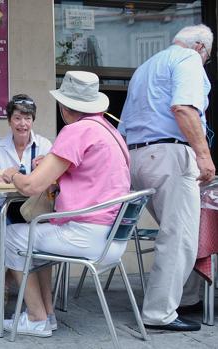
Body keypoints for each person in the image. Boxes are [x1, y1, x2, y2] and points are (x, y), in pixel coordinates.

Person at [0, 71, 130, 337]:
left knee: (11, 235)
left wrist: (12, 174)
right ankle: (47, 314)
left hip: (86, 236)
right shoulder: (111, 131)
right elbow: (92, 177)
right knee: (35, 236)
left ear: (64, 106)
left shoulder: (77, 130)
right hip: (113, 240)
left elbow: (31, 186)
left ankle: (36, 318)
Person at [118, 24, 215, 332]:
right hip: (169, 155)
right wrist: (203, 155)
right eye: (208, 59)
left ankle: (185, 299)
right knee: (180, 238)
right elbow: (184, 108)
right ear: (200, 48)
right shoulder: (188, 60)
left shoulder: (145, 67)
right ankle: (160, 313)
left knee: (176, 233)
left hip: (134, 157)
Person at [0, 94, 52, 231]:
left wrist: (41, 169)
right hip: (5, 209)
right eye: (17, 118)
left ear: (33, 121)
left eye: (27, 118)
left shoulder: (44, 145)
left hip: (35, 209)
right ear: (9, 121)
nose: (23, 124)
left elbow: (55, 180)